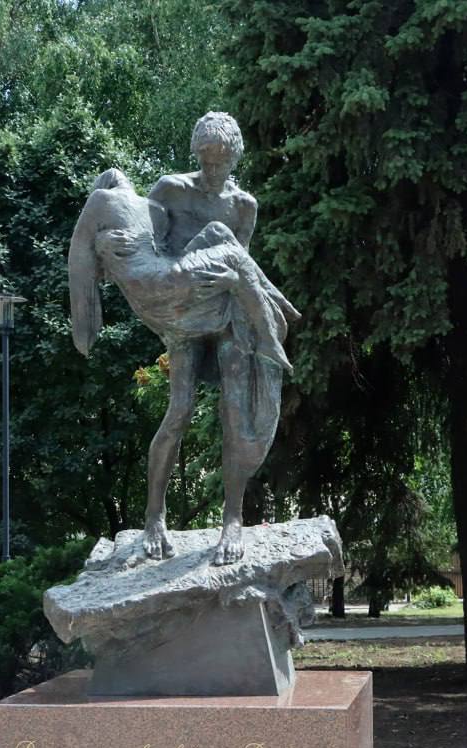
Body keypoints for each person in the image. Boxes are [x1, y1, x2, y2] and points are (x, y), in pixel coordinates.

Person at [69, 111, 300, 565]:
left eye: (220, 162)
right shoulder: (170, 188)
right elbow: (142, 242)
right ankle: (154, 517)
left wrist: (231, 285)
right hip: (180, 308)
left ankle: (232, 519)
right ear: (196, 154)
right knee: (179, 411)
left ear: (234, 157)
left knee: (236, 411)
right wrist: (100, 248)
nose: (211, 170)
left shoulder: (243, 206)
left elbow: (241, 262)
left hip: (227, 310)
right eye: (205, 160)